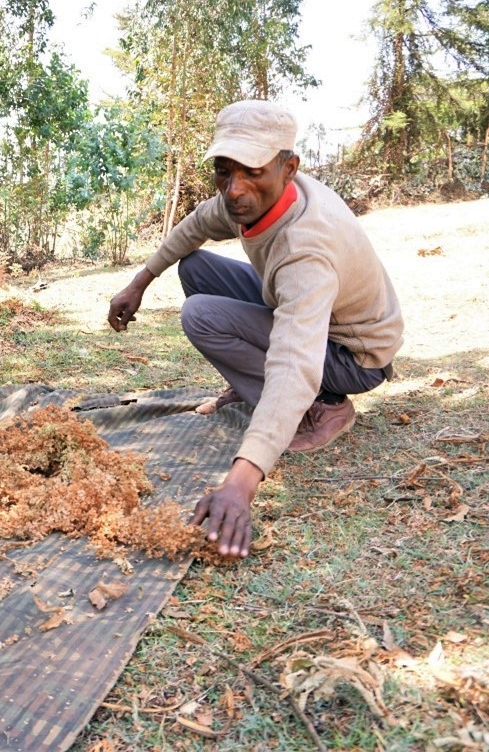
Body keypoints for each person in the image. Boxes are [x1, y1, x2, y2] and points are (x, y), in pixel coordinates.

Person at [107, 100, 403, 561]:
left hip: (352, 355)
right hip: (310, 319)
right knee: (196, 268)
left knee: (201, 314)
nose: (234, 189)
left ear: (289, 168)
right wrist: (139, 282)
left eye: (252, 172)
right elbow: (195, 225)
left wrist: (240, 484)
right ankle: (255, 386)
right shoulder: (248, 199)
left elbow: (294, 361)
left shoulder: (307, 250)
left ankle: (325, 407)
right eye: (224, 172)